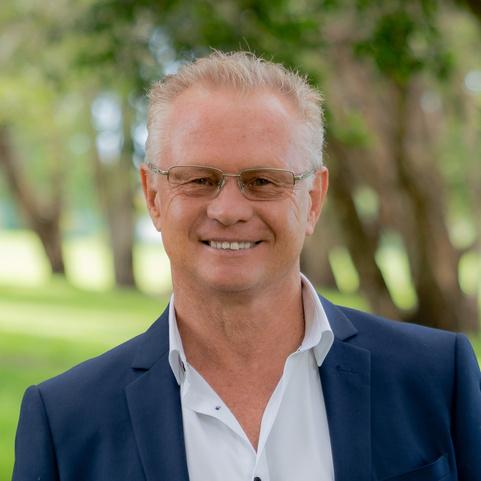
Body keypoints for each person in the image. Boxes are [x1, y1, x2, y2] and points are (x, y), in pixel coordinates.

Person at [12, 51, 481, 481]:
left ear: (314, 199)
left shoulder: (438, 379)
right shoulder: (66, 422)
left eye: (262, 181)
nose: (229, 210)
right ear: (153, 196)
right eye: (199, 179)